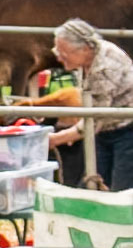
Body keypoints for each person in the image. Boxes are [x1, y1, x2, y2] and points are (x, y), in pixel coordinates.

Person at [47, 18, 133, 194]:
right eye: (58, 50)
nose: (58, 56)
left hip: (126, 131)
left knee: (121, 191)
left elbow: (95, 118)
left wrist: (58, 138)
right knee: (92, 185)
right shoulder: (88, 58)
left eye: (64, 52)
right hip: (105, 131)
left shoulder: (105, 68)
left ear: (85, 48)